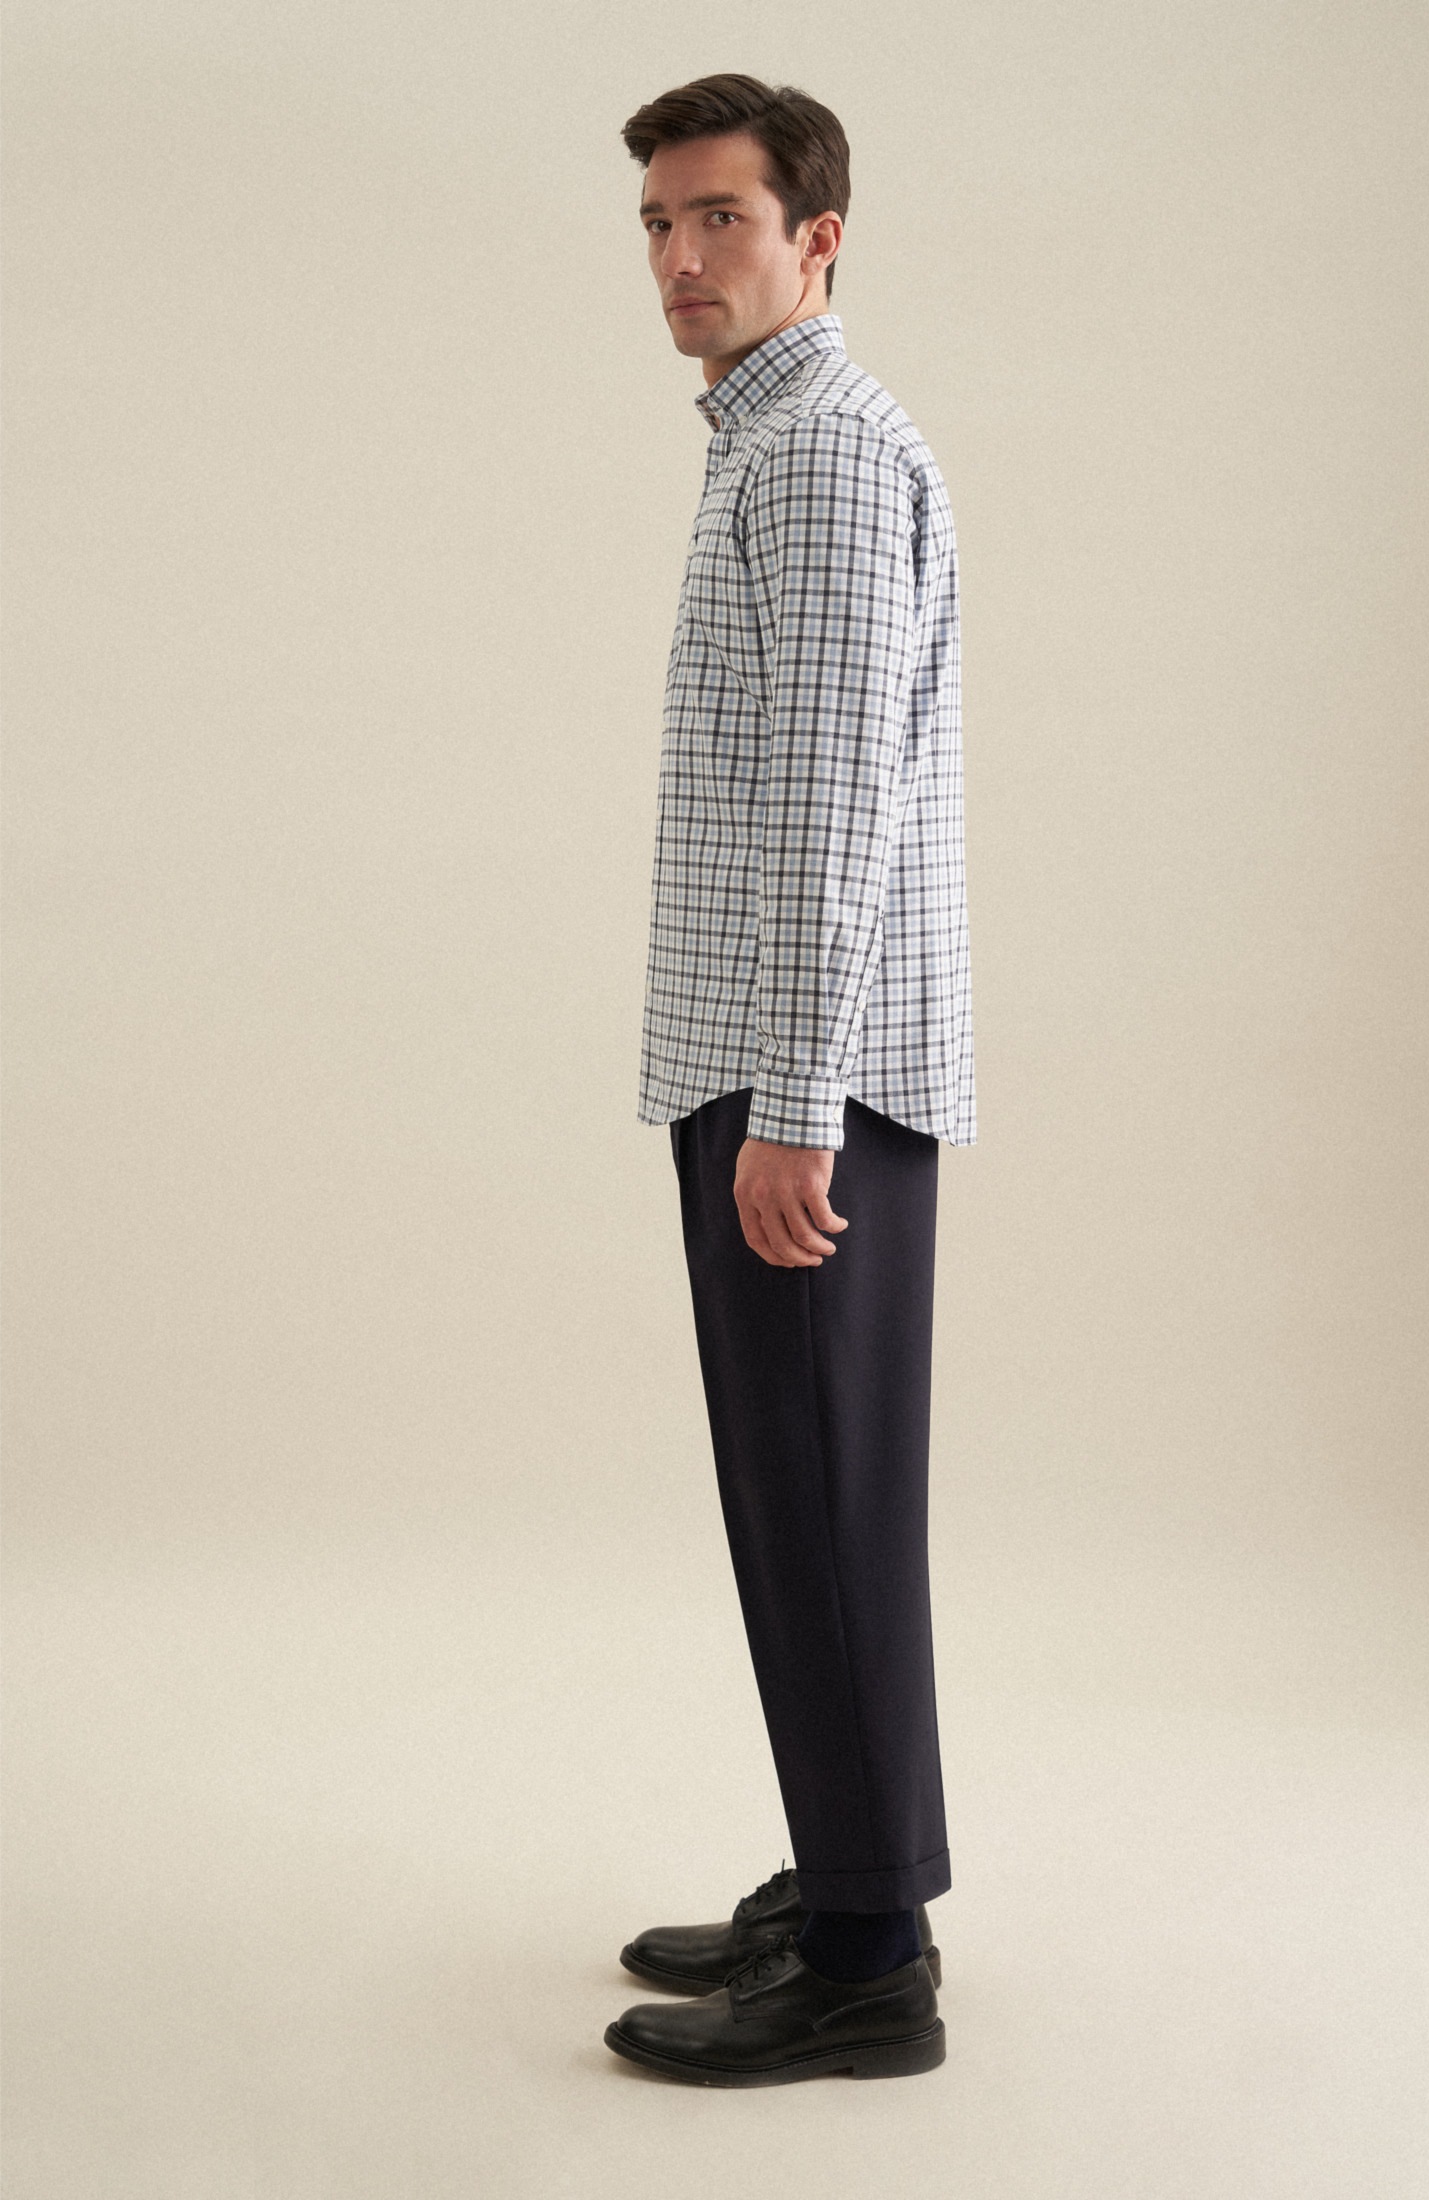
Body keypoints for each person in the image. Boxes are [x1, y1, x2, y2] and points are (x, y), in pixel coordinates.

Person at [604, 72, 976, 2087]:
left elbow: (837, 813)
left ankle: (865, 1961)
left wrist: (794, 1107)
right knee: (803, 1496)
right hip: (776, 1068)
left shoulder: (819, 455)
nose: (681, 258)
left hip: (801, 1087)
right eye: (660, 225)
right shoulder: (773, 440)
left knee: (820, 1500)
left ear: (817, 237)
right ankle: (847, 1876)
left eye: (720, 219)